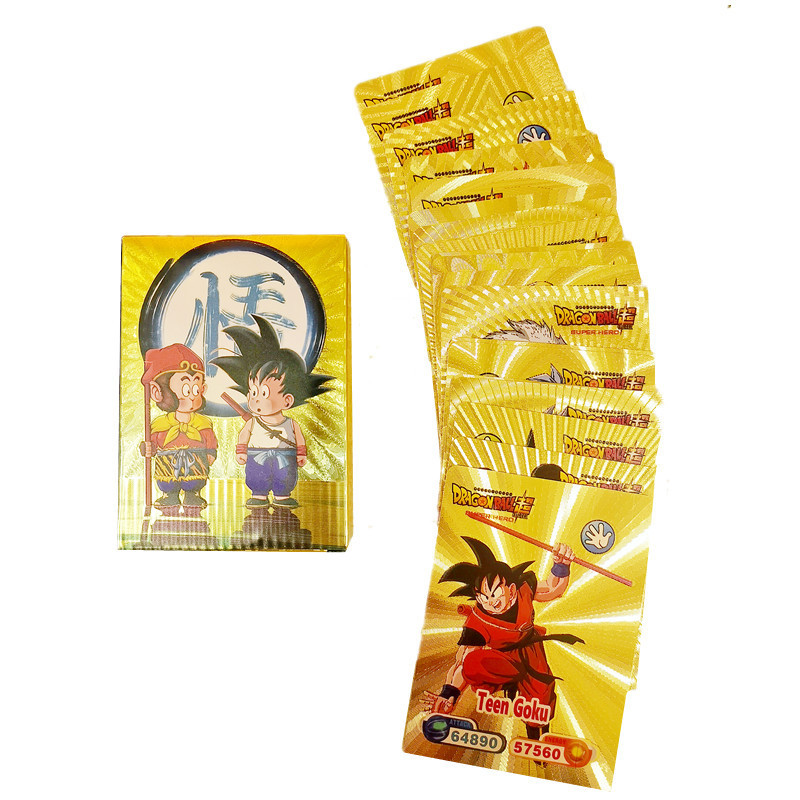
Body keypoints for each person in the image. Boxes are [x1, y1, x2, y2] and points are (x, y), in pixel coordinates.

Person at [140, 344, 217, 509]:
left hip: (195, 461)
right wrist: (148, 448)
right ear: (157, 392)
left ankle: (193, 494)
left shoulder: (202, 423)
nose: (192, 397)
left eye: (196, 390)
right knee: (167, 482)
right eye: (186, 390)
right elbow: (153, 444)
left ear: (203, 389)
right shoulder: (160, 424)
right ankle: (169, 495)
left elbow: (209, 438)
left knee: (194, 481)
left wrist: (211, 452)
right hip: (167, 462)